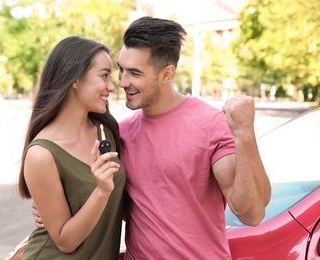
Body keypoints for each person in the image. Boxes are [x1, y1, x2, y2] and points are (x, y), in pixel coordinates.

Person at [34, 17, 271, 259]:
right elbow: (122, 204)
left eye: (135, 73)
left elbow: (251, 214)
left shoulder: (210, 124)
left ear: (167, 74)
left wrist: (245, 135)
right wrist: (53, 209)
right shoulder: (119, 134)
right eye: (121, 70)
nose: (123, 83)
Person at [18, 36, 126, 259]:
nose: (112, 87)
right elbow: (65, 241)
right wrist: (101, 191)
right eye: (104, 75)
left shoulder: (106, 131)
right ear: (75, 79)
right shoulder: (41, 154)